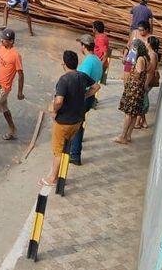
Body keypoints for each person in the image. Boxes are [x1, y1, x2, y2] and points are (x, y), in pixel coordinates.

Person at [40, 50, 95, 185]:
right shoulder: (82, 76)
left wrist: (54, 110)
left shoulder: (64, 80)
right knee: (66, 148)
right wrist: (84, 96)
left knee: (58, 151)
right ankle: (61, 174)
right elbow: (96, 86)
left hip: (63, 121)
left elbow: (58, 101)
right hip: (77, 120)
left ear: (64, 64)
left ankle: (53, 178)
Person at [68, 35, 105, 165]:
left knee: (76, 125)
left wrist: (79, 97)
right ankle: (76, 145)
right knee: (81, 122)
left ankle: (75, 154)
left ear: (84, 46)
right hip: (91, 97)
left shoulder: (88, 62)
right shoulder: (97, 60)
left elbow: (80, 81)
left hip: (84, 96)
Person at [0, 28, 24, 144]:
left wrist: (20, 92)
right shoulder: (1, 47)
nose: (2, 40)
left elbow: (21, 74)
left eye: (5, 39)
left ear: (11, 41)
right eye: (2, 38)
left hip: (4, 87)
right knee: (4, 108)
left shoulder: (16, 55)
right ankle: (13, 129)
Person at [115, 39, 149, 145]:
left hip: (134, 90)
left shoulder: (139, 59)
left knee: (129, 114)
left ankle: (123, 136)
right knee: (134, 114)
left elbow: (138, 73)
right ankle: (128, 135)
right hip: (139, 90)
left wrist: (132, 75)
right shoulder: (145, 58)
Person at [137, 35, 161, 130]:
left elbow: (151, 72)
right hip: (146, 79)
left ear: (149, 44)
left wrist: (146, 84)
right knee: (142, 100)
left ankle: (138, 122)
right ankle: (144, 122)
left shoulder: (152, 55)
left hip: (148, 80)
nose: (145, 43)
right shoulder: (150, 53)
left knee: (142, 101)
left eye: (147, 42)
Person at [93, 20, 110, 86]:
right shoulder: (104, 36)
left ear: (95, 29)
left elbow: (105, 53)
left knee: (93, 83)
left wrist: (100, 65)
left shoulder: (100, 39)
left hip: (99, 62)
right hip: (99, 62)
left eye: (93, 27)